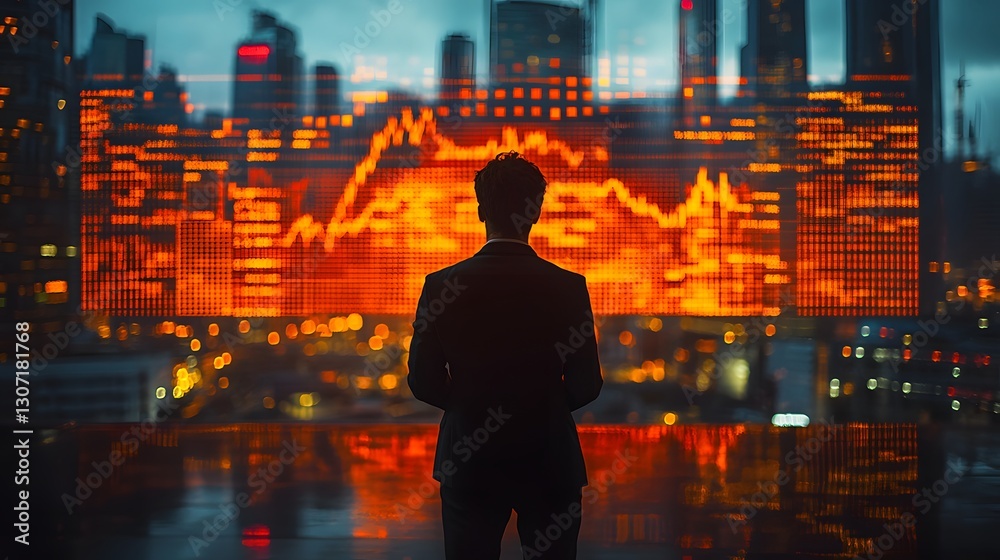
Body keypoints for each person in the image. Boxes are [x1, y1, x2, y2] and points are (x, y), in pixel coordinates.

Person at [407, 151, 604, 559]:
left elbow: (422, 381)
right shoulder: (569, 287)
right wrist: (540, 405)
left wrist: (470, 404)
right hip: (549, 457)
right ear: (536, 211)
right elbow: (587, 384)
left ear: (481, 210)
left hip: (469, 459)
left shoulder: (441, 285)